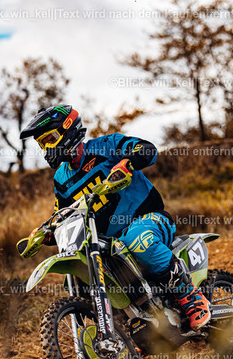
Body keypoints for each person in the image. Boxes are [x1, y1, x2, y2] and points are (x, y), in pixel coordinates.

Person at [20, 104, 211, 330]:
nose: (47, 147)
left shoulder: (107, 146)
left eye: (50, 139)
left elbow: (147, 149)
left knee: (137, 239)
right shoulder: (61, 179)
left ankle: (191, 297)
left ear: (68, 129)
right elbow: (62, 214)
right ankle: (123, 331)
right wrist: (46, 232)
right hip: (108, 242)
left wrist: (128, 162)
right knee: (85, 270)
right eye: (42, 143)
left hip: (149, 219)